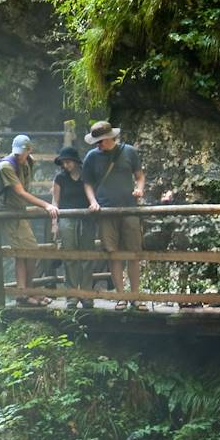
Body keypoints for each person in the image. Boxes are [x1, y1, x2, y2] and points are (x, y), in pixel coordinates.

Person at [81, 120, 147, 310]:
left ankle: (135, 296)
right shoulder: (91, 157)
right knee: (113, 254)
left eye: (100, 141)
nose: (98, 145)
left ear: (111, 138)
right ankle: (121, 297)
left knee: (134, 254)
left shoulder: (129, 152)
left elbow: (139, 176)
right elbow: (87, 183)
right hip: (106, 211)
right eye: (96, 142)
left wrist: (139, 189)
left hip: (129, 208)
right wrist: (93, 201)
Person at [0, 135, 60, 306]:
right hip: (10, 213)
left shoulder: (27, 162)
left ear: (29, 150)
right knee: (28, 250)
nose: (20, 156)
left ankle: (25, 292)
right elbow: (20, 192)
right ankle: (27, 293)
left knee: (24, 252)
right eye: (17, 153)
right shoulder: (6, 166)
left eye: (23, 153)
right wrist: (46, 205)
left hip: (20, 212)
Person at [51, 146, 95, 307]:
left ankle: (87, 295)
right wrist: (54, 224)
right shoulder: (60, 178)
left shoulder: (87, 175)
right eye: (63, 163)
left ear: (75, 162)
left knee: (87, 257)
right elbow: (55, 201)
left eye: (68, 162)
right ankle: (72, 296)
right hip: (67, 219)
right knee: (69, 257)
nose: (66, 165)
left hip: (86, 219)